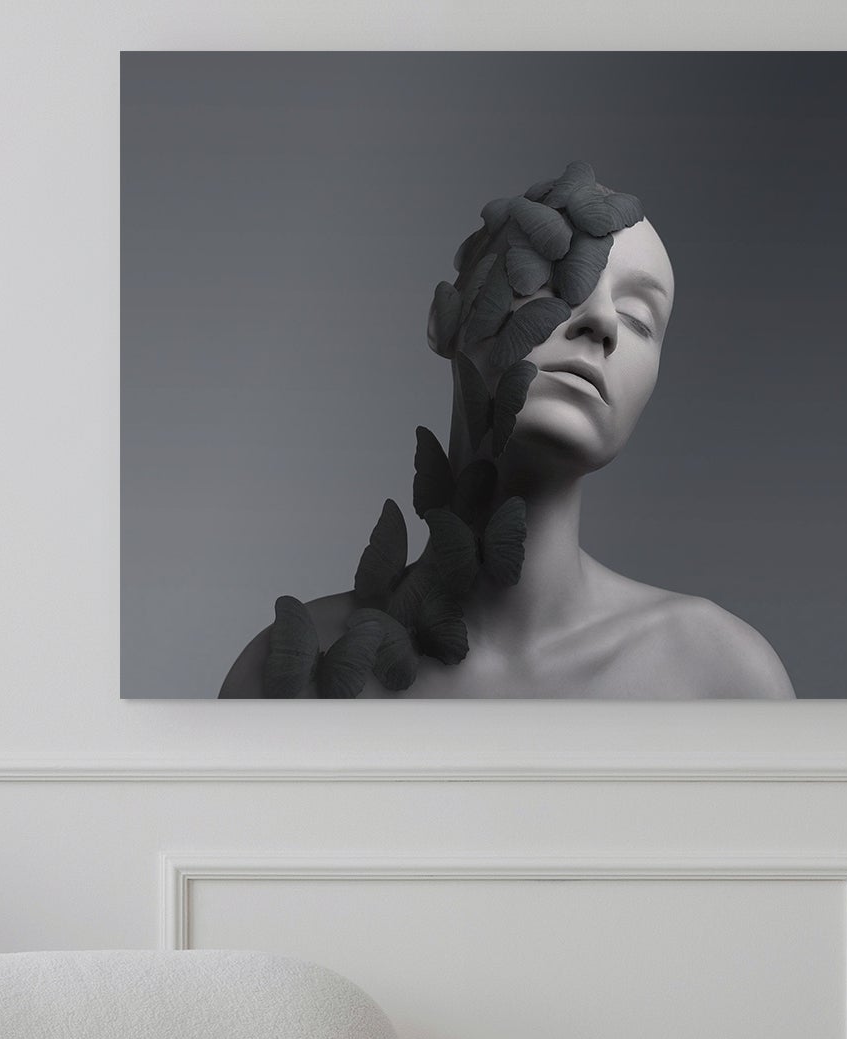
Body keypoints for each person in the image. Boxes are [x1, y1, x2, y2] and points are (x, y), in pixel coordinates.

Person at [221, 169, 792, 699]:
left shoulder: (723, 677)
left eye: (641, 318)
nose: (602, 321)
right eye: (553, 276)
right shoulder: (282, 674)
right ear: (446, 319)